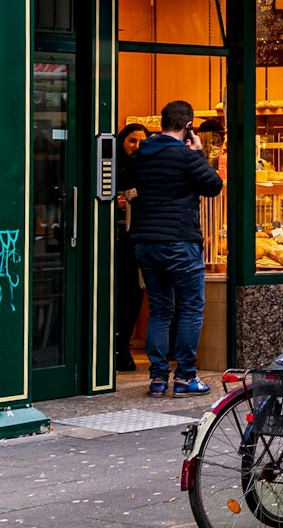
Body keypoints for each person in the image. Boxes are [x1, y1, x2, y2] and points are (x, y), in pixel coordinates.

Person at [121, 101, 223, 396]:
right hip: (180, 241)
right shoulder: (185, 156)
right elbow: (213, 185)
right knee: (190, 308)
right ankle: (185, 377)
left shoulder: (142, 155)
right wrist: (199, 153)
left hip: (145, 243)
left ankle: (157, 378)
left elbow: (124, 180)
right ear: (189, 126)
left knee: (160, 310)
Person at [112, 123, 149, 372]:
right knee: (115, 295)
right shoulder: (110, 166)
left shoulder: (148, 168)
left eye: (141, 142)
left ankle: (123, 346)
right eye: (132, 141)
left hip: (135, 241)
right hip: (112, 241)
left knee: (133, 295)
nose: (136, 146)